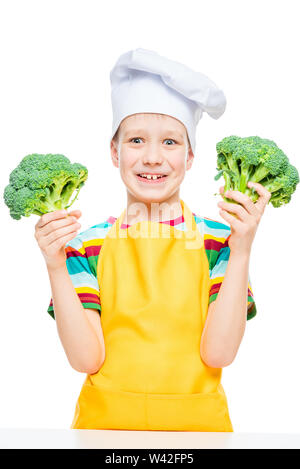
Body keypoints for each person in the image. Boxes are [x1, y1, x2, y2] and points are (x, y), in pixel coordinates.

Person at [35, 48, 271, 431]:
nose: (152, 158)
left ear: (191, 156)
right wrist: (55, 265)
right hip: (104, 432)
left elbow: (219, 352)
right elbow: (86, 360)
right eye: (136, 141)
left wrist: (242, 248)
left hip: (199, 434)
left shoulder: (221, 242)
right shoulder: (83, 246)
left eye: (171, 143)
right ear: (114, 151)